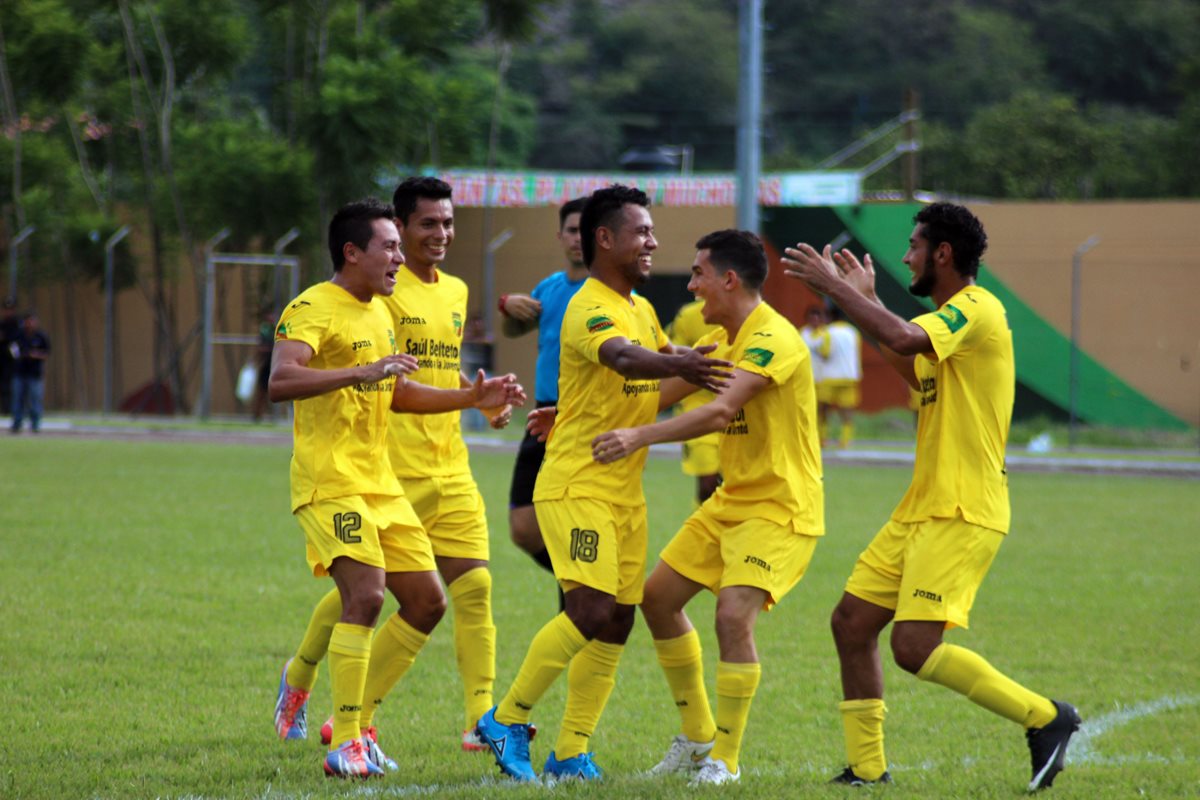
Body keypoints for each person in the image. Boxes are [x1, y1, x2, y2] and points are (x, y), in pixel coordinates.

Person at [781, 202, 1081, 791]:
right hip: (922, 506)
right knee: (850, 622)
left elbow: (900, 333)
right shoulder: (948, 330)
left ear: (943, 254)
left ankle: (1048, 718)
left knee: (914, 646)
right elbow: (908, 361)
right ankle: (867, 769)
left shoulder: (976, 306)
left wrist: (838, 291)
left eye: (914, 246)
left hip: (963, 508)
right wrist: (858, 302)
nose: (905, 256)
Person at [474, 185, 732, 783]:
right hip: (576, 483)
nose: (653, 241)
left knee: (617, 618)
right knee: (588, 607)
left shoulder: (641, 308)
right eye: (642, 231)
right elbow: (623, 359)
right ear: (605, 239)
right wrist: (680, 362)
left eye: (652, 231)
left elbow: (657, 385)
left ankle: (570, 752)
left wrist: (708, 368)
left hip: (625, 490)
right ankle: (505, 719)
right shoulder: (591, 305)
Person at [268, 198, 523, 778]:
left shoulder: (381, 313)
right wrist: (358, 372)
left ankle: (351, 728)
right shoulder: (312, 306)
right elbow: (280, 379)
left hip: (381, 484)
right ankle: (350, 740)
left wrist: (470, 399)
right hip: (330, 481)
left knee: (430, 601)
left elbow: (398, 393)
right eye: (389, 246)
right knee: (366, 595)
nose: (398, 258)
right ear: (351, 252)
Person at [592, 230, 824, 786]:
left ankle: (726, 759)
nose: (692, 285)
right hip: (732, 501)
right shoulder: (729, 339)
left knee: (731, 616)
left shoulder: (773, 338)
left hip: (779, 508)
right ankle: (697, 739)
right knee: (657, 599)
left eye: (698, 274)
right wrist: (579, 422)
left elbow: (720, 411)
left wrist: (638, 437)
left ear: (729, 279)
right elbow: (665, 392)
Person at [498, 197, 588, 599]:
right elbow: (515, 332)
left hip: (582, 418)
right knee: (523, 526)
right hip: (541, 416)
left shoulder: (607, 293)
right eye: (572, 230)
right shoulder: (550, 288)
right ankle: (584, 585)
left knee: (571, 522)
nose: (578, 238)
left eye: (587, 231)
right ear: (560, 235)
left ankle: (581, 599)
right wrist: (509, 307)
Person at [667, 298, 722, 504]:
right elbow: (674, 358)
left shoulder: (751, 314)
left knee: (734, 484)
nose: (694, 284)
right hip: (697, 406)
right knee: (708, 484)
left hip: (740, 408)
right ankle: (706, 529)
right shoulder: (688, 315)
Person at [821, 307, 861, 448]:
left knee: (823, 407)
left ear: (830, 317)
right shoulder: (853, 332)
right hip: (849, 375)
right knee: (847, 408)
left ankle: (823, 438)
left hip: (830, 375)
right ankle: (845, 439)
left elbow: (825, 353)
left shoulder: (827, 332)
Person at [9, 312, 50, 434]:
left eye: (32, 321)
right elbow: (12, 350)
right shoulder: (18, 336)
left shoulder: (41, 336)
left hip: (35, 374)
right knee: (18, 399)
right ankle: (17, 424)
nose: (29, 324)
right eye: (27, 321)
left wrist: (35, 355)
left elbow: (46, 353)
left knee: (35, 399)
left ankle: (35, 424)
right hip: (20, 373)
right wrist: (20, 356)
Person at [799, 304, 831, 439]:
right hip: (806, 375)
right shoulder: (802, 333)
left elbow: (827, 353)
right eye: (812, 318)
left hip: (822, 375)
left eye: (817, 318)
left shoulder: (825, 334)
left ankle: (822, 435)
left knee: (823, 407)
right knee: (806, 406)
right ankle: (807, 433)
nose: (815, 321)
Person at [251, 310, 277, 422]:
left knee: (271, 391)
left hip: (274, 363)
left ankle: (271, 415)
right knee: (262, 390)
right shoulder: (265, 329)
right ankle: (257, 415)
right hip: (267, 363)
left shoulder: (278, 328)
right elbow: (261, 347)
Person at [0, 297, 19, 415]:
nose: (8, 312)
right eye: (6, 309)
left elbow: (16, 343)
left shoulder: (18, 324)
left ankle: (13, 409)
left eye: (11, 309)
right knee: (4, 386)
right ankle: (5, 409)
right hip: (1, 360)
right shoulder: (1, 324)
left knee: (13, 386)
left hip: (13, 360)